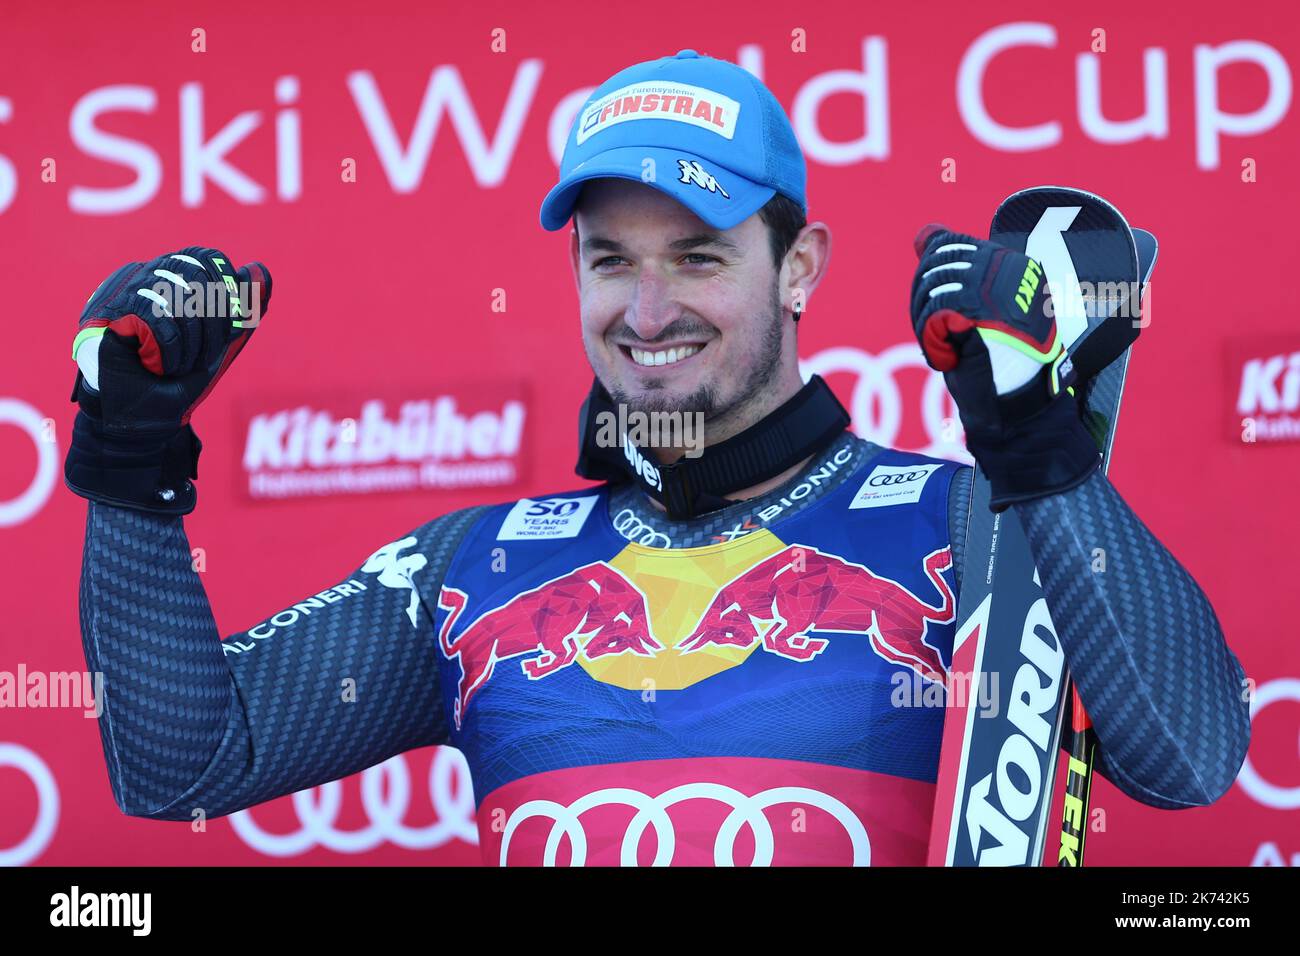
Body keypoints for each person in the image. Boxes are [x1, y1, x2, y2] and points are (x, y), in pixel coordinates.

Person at [64, 50, 1249, 866]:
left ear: (799, 265)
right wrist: (131, 459)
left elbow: (1190, 755)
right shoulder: (478, 564)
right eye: (607, 258)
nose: (644, 309)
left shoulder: (963, 521)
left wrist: (1043, 456)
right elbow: (183, 760)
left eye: (696, 256)